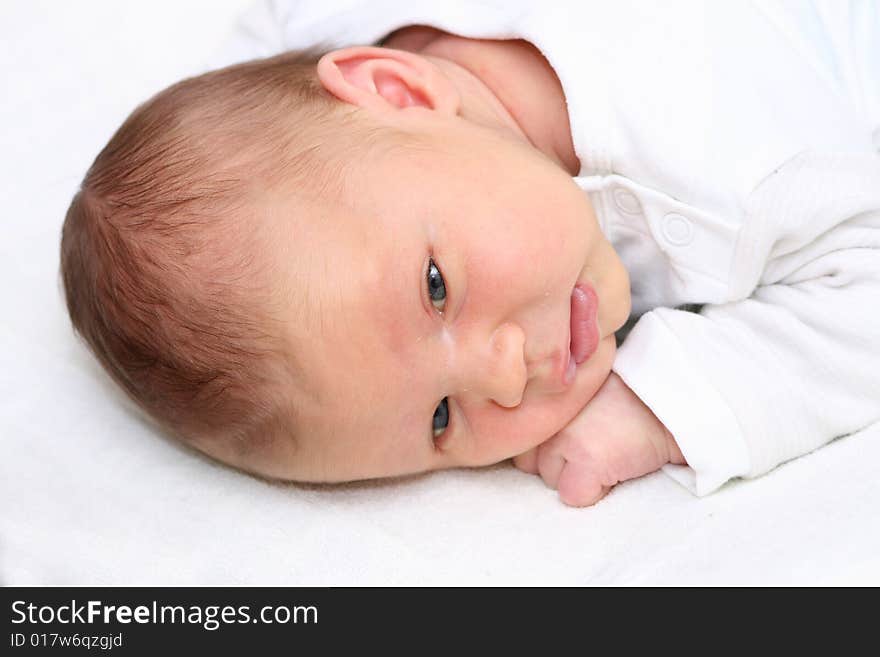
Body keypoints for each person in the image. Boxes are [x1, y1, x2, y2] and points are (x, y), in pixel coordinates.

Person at [60, 0, 880, 506]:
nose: (503, 375)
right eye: (442, 419)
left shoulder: (734, 182)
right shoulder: (342, 62)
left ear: (398, 88)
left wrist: (666, 401)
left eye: (435, 288)